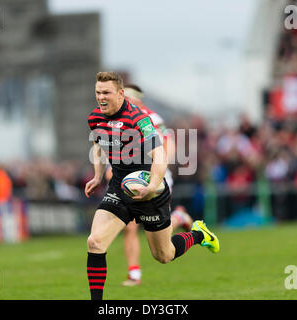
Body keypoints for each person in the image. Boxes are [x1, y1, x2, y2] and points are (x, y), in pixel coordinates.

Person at [85, 71, 220, 300]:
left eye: (106, 92)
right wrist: (98, 176)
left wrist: (153, 185)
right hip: (119, 188)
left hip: (149, 190)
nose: (101, 97)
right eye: (98, 92)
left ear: (120, 94)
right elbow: (100, 143)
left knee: (163, 254)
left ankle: (198, 234)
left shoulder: (140, 119)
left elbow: (160, 155)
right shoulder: (96, 116)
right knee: (95, 241)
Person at [118, 83, 193, 286]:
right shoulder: (120, 120)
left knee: (163, 244)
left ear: (136, 100)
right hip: (133, 178)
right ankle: (134, 272)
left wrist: (157, 170)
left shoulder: (151, 117)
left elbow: (169, 144)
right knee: (130, 225)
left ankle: (178, 216)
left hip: (156, 178)